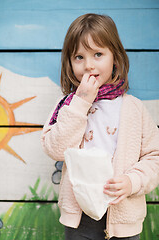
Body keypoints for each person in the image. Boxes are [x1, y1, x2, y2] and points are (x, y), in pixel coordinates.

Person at [41, 13, 159, 240]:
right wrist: (81, 102)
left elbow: (154, 156)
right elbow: (55, 149)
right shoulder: (67, 106)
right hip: (80, 217)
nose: (88, 66)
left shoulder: (133, 108)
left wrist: (132, 182)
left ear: (114, 57)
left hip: (123, 214)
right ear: (69, 62)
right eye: (79, 57)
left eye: (98, 54)